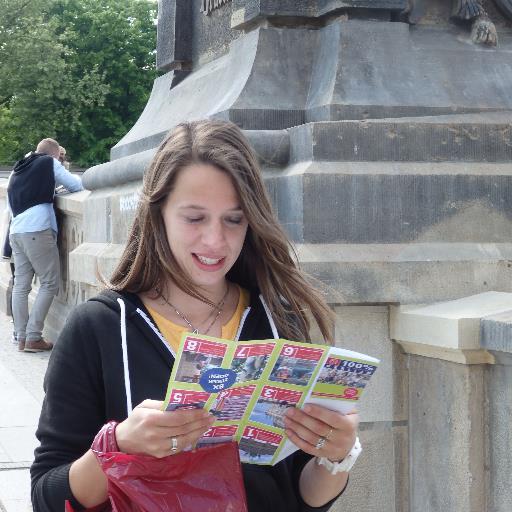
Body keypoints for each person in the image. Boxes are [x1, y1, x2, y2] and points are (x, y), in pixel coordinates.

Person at [31, 121, 360, 512]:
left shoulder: (278, 323)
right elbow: (46, 496)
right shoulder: (99, 328)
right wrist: (118, 447)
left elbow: (300, 496)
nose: (215, 241)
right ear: (158, 214)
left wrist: (335, 455)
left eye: (233, 219)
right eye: (194, 218)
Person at [7, 138, 84, 353]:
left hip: (17, 230)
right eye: (60, 156)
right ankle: (33, 337)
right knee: (50, 282)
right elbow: (77, 185)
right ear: (54, 154)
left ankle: (20, 336)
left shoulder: (19, 168)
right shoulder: (48, 163)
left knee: (21, 284)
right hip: (37, 229)